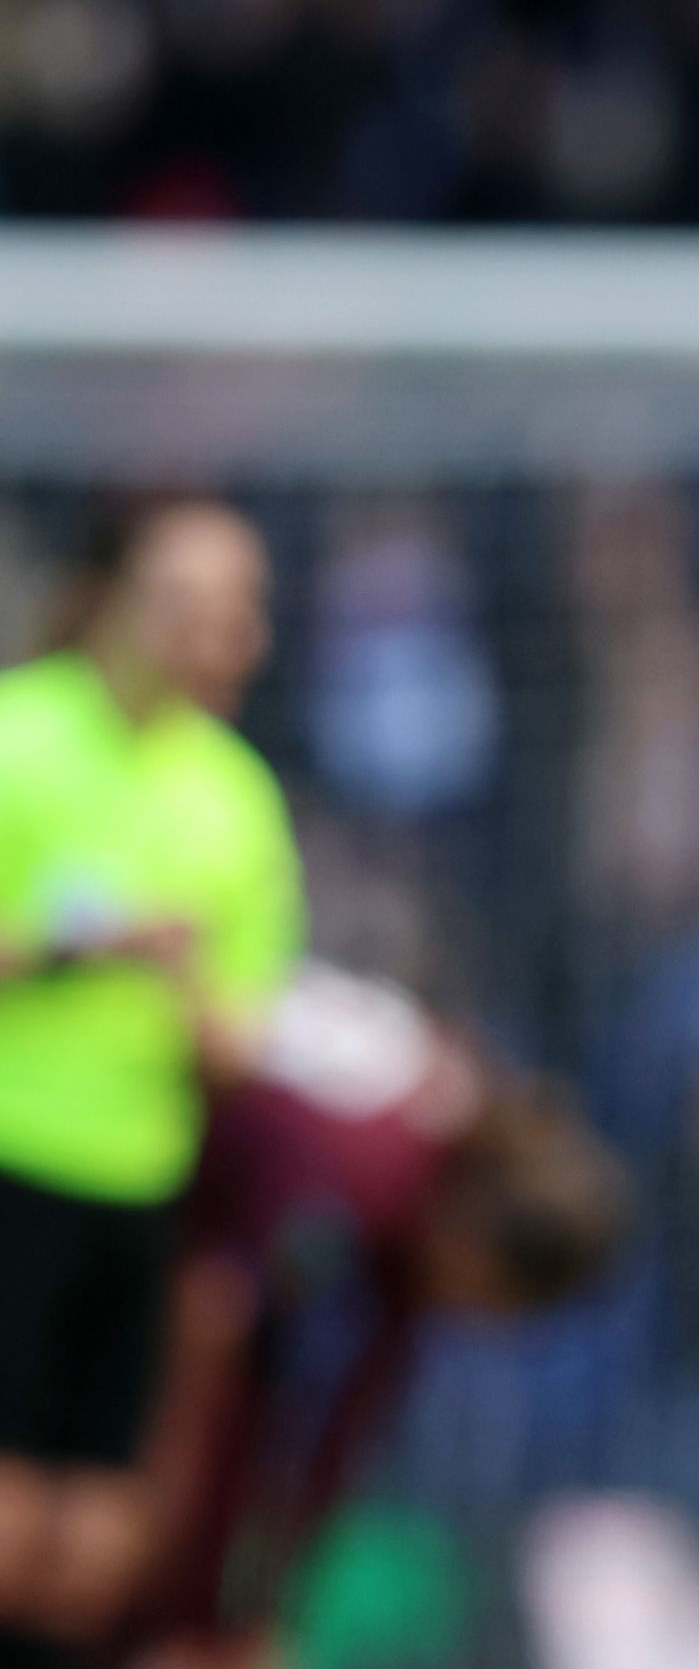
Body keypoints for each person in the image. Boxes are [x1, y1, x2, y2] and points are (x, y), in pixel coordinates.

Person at [116, 961, 630, 1668]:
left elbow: (318, 1441)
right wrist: (159, 1521)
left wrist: (255, 1610)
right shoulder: (360, 1167)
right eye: (495, 1302)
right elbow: (214, 1318)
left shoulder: (398, 1275)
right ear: (479, 1233)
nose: (477, 1321)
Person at [0, 499, 302, 1668]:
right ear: (113, 598)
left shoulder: (236, 797)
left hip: (137, 1189)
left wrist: (184, 988)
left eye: (235, 611)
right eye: (187, 603)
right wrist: (74, 946)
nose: (213, 634)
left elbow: (242, 1042)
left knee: (96, 1536)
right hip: (13, 1165)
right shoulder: (20, 734)